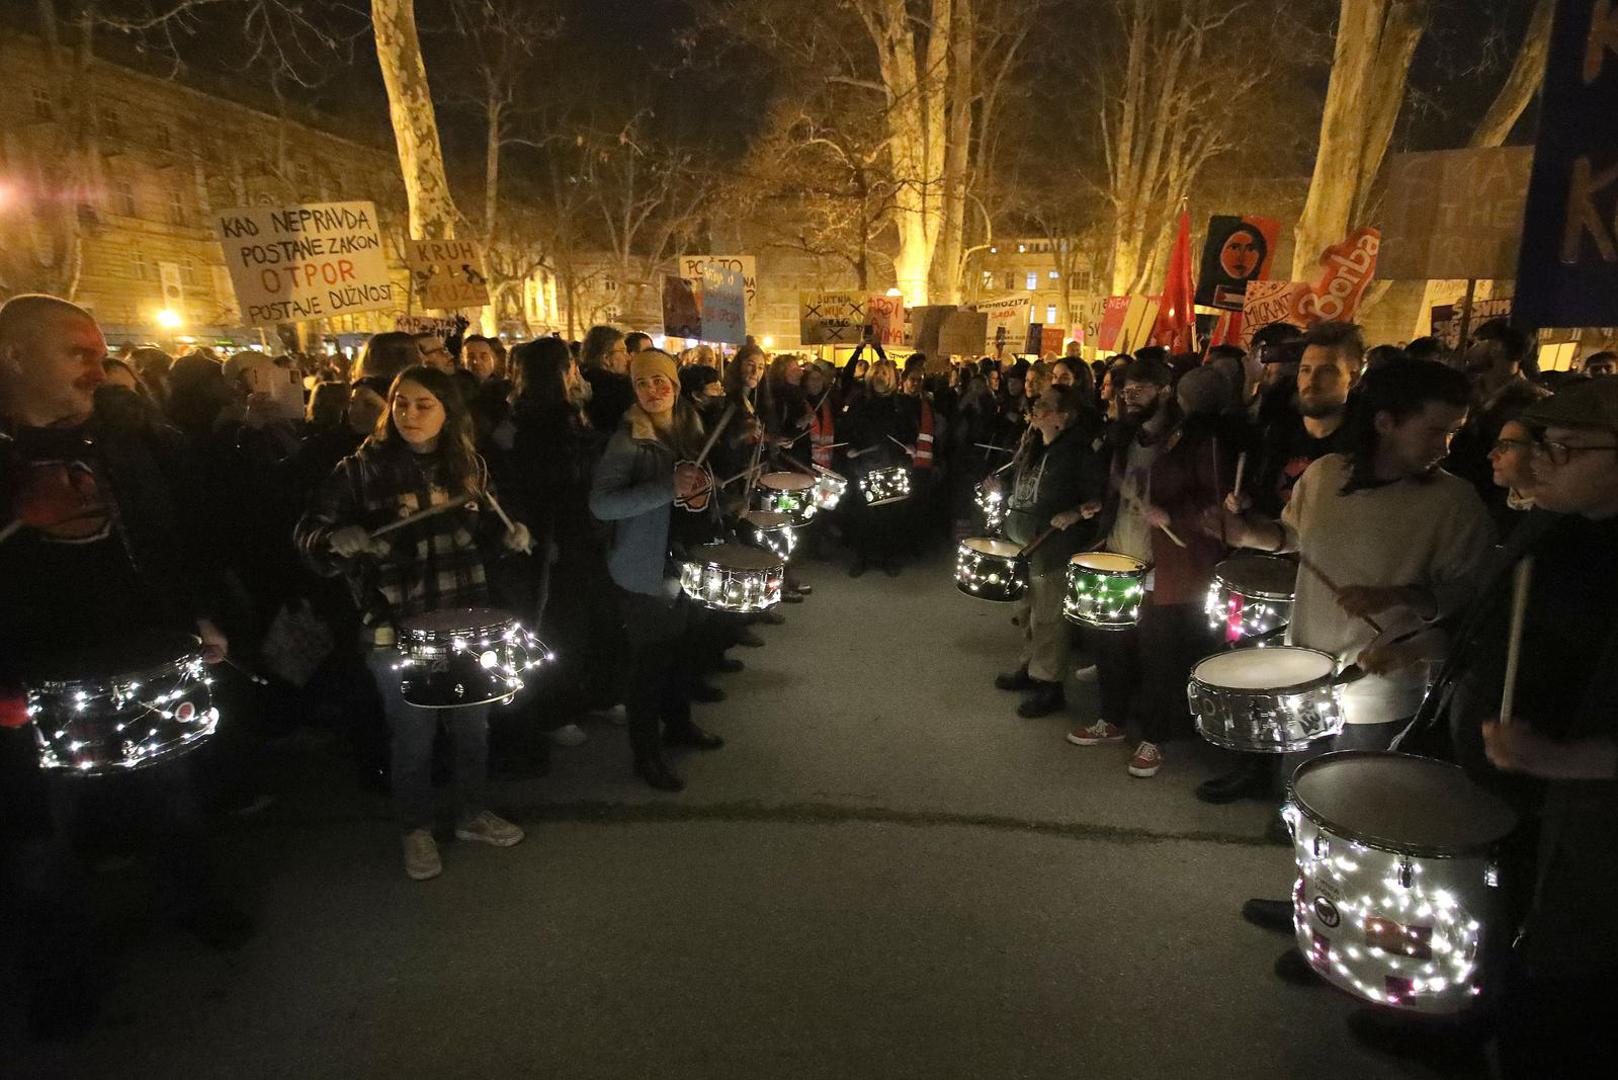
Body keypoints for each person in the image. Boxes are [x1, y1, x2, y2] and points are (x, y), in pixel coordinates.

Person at [0, 295, 247, 1040]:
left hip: (140, 654)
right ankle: (60, 974)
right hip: (26, 678)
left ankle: (191, 902)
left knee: (172, 795)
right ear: (14, 357)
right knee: (38, 838)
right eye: (77, 352)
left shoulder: (120, 438)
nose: (96, 368)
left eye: (101, 353)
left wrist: (197, 615)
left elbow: (170, 535)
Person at [1212, 360, 1494, 971]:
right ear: (1387, 422)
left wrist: (1399, 597)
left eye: (1453, 432)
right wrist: (1246, 533)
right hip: (1306, 673)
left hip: (1382, 683)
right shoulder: (1325, 475)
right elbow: (1292, 539)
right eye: (1436, 430)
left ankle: (1335, 942)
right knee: (1303, 804)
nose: (1446, 445)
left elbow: (1470, 594)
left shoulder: (1454, 502)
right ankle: (1307, 906)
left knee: (1353, 822)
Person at [295, 365, 531, 881]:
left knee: (473, 728)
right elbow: (309, 534)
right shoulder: (358, 470)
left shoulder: (469, 466)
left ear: (449, 412)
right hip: (396, 625)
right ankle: (415, 828)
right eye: (401, 402)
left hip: (466, 617)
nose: (409, 414)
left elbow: (488, 535)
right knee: (412, 736)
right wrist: (335, 538)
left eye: (424, 405)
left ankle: (471, 814)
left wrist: (512, 537)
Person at [1197, 321, 1365, 805]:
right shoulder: (1278, 429)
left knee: (1304, 686)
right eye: (1306, 369)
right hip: (1265, 565)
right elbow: (1265, 495)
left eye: (1327, 371)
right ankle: (1251, 766)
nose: (1310, 381)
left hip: (1319, 584)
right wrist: (1242, 505)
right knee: (1249, 667)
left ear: (1354, 375)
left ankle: (1301, 793)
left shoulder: (1359, 449)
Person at [1070, 355, 1228, 778]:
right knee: (1111, 646)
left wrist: (1171, 514)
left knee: (1159, 657)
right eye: (1125, 390)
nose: (1130, 396)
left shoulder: (1192, 440)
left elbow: (1213, 502)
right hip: (1119, 553)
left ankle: (1155, 738)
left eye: (1140, 388)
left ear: (1165, 391)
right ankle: (1112, 720)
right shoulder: (1124, 437)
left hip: (1166, 565)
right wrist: (1100, 507)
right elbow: (1115, 490)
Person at [588, 349, 725, 792]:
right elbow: (602, 504)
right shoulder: (628, 438)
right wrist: (667, 486)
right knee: (648, 667)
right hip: (645, 568)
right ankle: (645, 754)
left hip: (685, 560)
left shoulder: (689, 426)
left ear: (675, 386)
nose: (652, 390)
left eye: (659, 380)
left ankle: (679, 725)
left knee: (681, 653)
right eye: (642, 383)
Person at [993, 386, 1107, 717]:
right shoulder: (1033, 446)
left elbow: (1097, 498)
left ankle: (1049, 684)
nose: (1035, 407)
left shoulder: (1079, 452)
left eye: (1044, 404)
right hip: (1025, 545)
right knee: (1027, 611)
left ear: (1063, 417)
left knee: (1049, 619)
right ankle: (1030, 667)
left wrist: (1074, 514)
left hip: (1053, 549)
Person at [843, 356, 918, 577]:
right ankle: (862, 558)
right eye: (876, 373)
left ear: (892, 378)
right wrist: (850, 448)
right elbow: (848, 429)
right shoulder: (860, 402)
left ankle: (888, 558)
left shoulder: (900, 404)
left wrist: (910, 446)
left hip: (892, 466)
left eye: (884, 373)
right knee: (863, 515)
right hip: (864, 466)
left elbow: (910, 432)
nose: (880, 377)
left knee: (890, 516)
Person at [580, 324, 634, 434]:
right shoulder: (621, 390)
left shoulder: (580, 386)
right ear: (606, 358)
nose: (628, 357)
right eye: (622, 351)